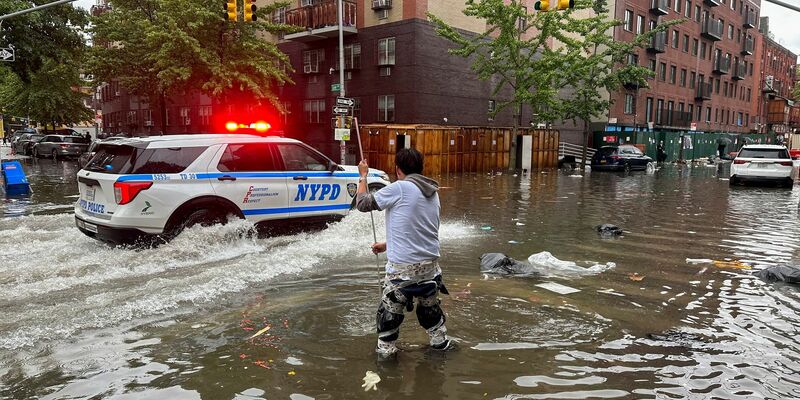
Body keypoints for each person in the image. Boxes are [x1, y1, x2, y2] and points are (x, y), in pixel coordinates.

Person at [355, 148, 451, 357]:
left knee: (388, 322)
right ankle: (440, 349)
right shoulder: (432, 192)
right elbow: (420, 229)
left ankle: (387, 368)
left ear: (398, 170)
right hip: (431, 271)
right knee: (432, 317)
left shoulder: (399, 188)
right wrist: (387, 244)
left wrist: (362, 176)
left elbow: (362, 204)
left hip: (402, 273)